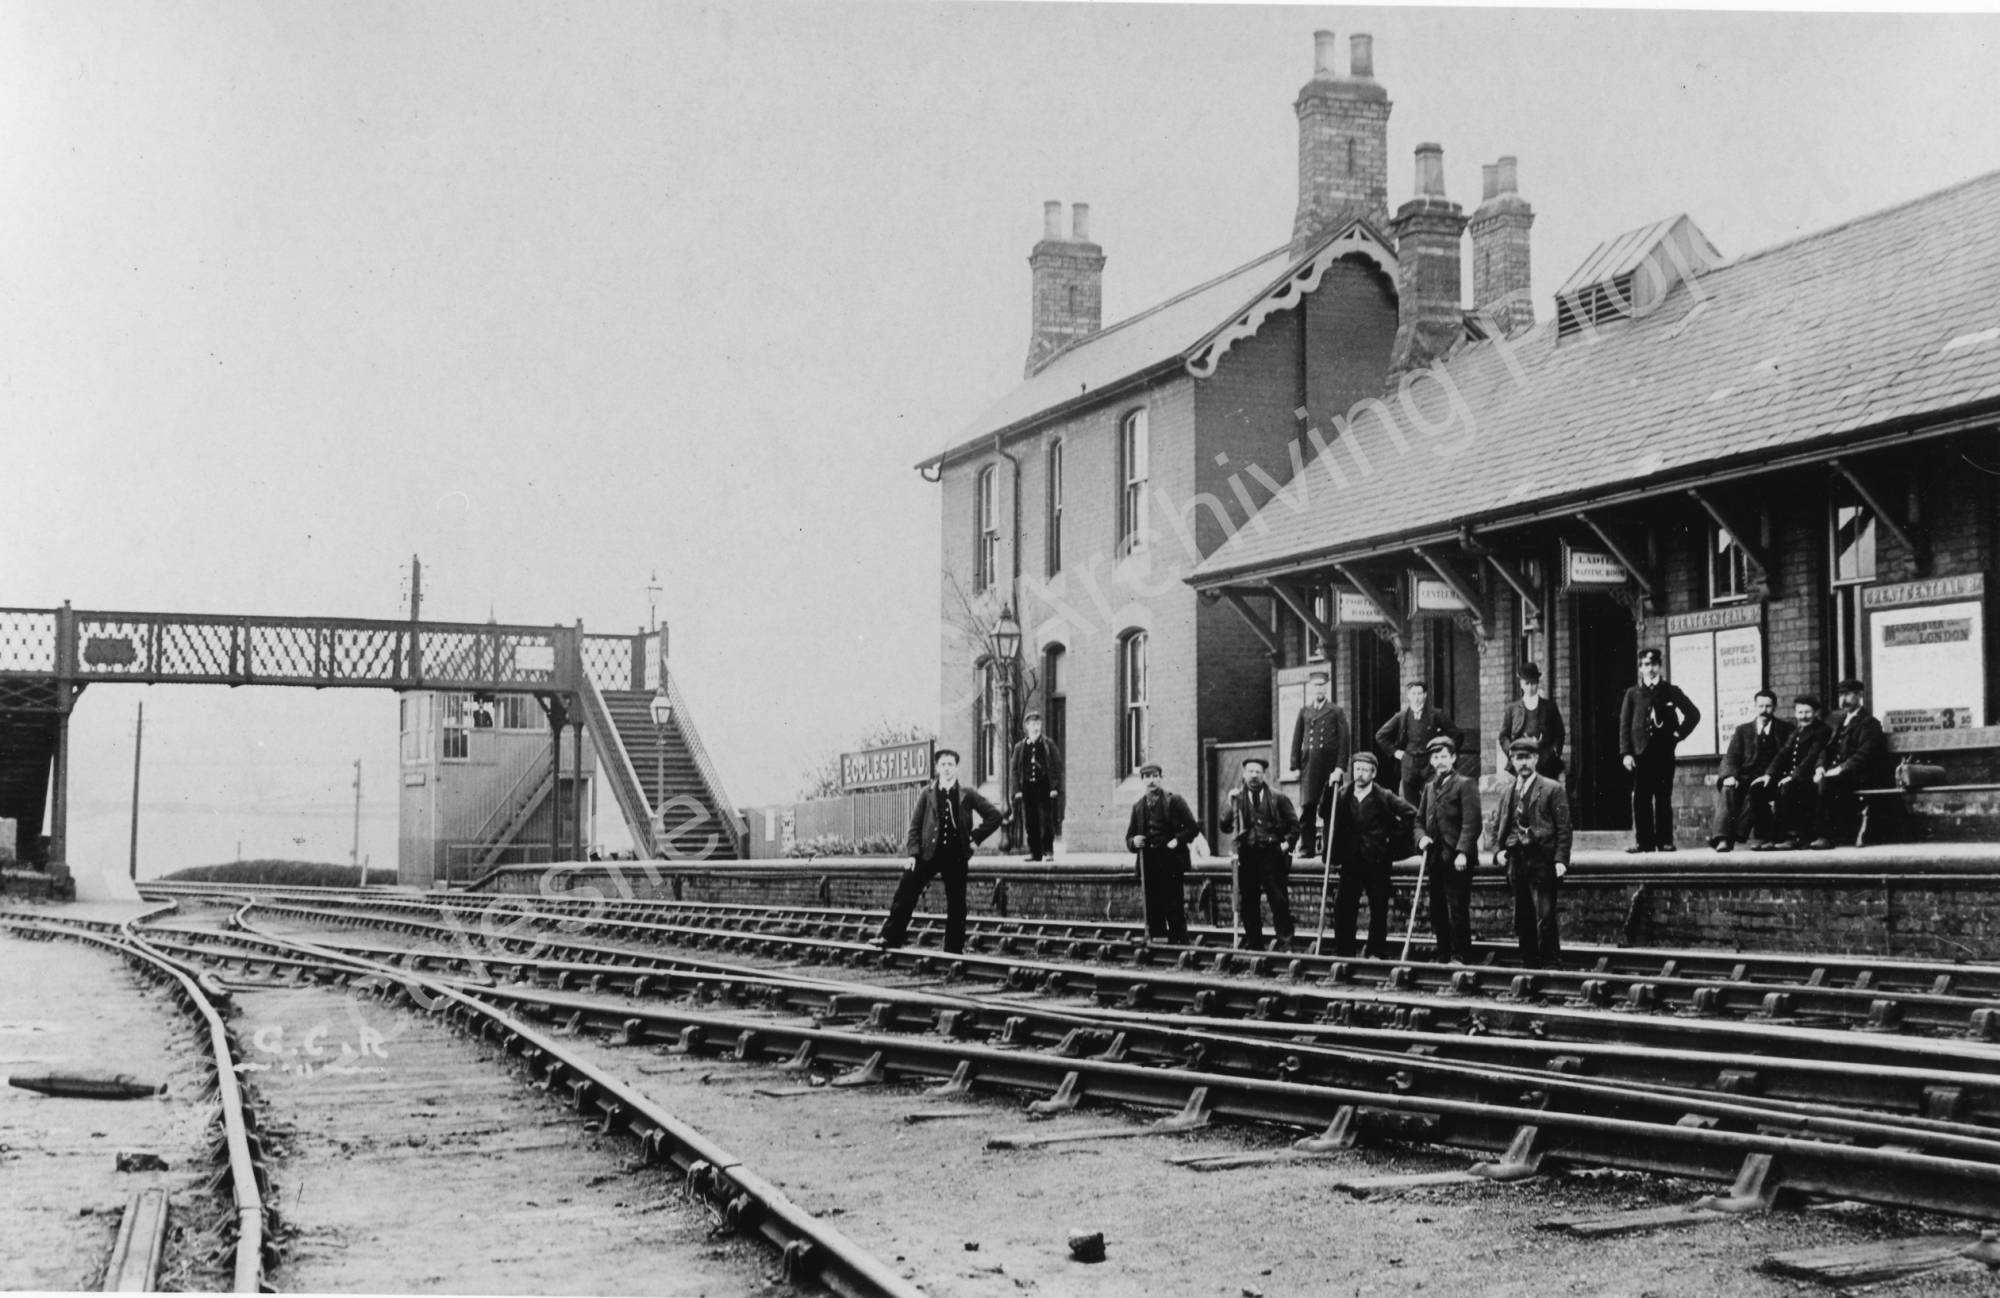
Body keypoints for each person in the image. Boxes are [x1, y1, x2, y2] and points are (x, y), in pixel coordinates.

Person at [872, 748, 1004, 953]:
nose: (947, 768)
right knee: (906, 889)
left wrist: (975, 839)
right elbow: (914, 826)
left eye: (951, 764)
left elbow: (994, 816)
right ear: (937, 767)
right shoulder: (927, 793)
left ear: (956, 768)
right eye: (943, 764)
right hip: (928, 854)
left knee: (957, 903)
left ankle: (953, 949)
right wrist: (913, 855)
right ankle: (890, 937)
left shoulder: (967, 794)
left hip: (956, 856)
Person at [1490, 737, 1573, 968]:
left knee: (1545, 915)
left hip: (1541, 858)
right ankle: (1529, 963)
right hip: (1516, 859)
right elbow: (1498, 825)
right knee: (1522, 916)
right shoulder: (1507, 793)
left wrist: (1561, 859)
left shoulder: (1552, 789)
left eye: (1527, 758)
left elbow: (1564, 826)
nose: (1523, 763)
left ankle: (1550, 964)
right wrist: (1498, 851)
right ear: (1512, 761)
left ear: (1536, 759)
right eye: (1518, 758)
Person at [1326, 750, 1416, 958]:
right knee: (1344, 907)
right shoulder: (1343, 794)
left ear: (1373, 773)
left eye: (1365, 770)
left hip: (1377, 860)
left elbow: (1410, 814)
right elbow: (1326, 813)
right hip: (1350, 860)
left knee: (1378, 907)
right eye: (1357, 769)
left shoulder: (1383, 795)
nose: (1360, 774)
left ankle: (1376, 952)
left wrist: (1391, 840)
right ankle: (1344, 952)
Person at [1618, 648, 1700, 852]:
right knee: (1641, 799)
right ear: (1640, 668)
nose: (1650, 669)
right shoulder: (1633, 693)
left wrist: (1678, 735)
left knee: (1663, 797)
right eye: (1645, 665)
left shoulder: (1671, 691)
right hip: (1641, 753)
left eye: (1653, 664)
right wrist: (1626, 753)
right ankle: (1644, 842)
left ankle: (1665, 841)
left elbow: (1693, 714)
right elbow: (1625, 725)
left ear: (1660, 666)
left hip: (1663, 753)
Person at [1219, 756, 1299, 950]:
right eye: (1250, 771)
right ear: (1244, 774)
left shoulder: (1278, 798)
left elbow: (1294, 826)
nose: (1254, 776)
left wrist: (1286, 845)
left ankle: (1286, 943)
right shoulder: (1236, 799)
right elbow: (1225, 826)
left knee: (1279, 899)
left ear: (1264, 775)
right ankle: (1254, 944)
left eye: (1258, 772)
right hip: (1247, 856)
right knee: (1248, 901)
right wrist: (1230, 805)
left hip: (1272, 855)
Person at [1415, 734, 1481, 964]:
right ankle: (1443, 953)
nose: (1440, 761)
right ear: (1431, 761)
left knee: (1457, 908)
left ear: (1453, 758)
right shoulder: (1429, 788)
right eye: (1435, 757)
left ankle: (1461, 954)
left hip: (1456, 858)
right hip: (1435, 857)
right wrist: (1421, 838)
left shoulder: (1465, 784)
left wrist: (1463, 851)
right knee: (1437, 908)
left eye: (1444, 756)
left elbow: (1472, 822)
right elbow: (1418, 821)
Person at [1711, 689, 1793, 852]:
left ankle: (1734, 836)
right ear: (1754, 707)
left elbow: (1788, 757)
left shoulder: (1785, 729)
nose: (1764, 710)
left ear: (1775, 707)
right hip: (1745, 776)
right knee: (1728, 789)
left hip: (1771, 778)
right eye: (1760, 706)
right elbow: (1731, 756)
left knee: (1754, 792)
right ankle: (1722, 839)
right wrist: (1729, 776)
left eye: (1768, 706)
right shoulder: (1743, 730)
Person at [1124, 761, 1198, 943]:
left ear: (1161, 778)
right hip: (1148, 860)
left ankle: (1178, 939)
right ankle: (1157, 938)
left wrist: (1178, 840)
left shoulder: (1174, 801)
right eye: (1147, 777)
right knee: (1152, 901)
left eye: (1155, 776)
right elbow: (1129, 838)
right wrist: (1135, 841)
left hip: (1170, 859)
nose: (1151, 781)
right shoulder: (1138, 807)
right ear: (1142, 780)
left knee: (1173, 901)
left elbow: (1192, 827)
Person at [1811, 678, 1888, 850]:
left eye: (1847, 694)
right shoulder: (1841, 722)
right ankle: (1808, 835)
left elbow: (1864, 755)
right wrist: (1821, 767)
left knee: (1829, 783)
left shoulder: (1869, 723)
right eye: (1840, 695)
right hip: (1844, 773)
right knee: (1811, 781)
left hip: (1863, 774)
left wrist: (1839, 769)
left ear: (1860, 695)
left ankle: (1827, 836)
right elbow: (1827, 749)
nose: (1843, 699)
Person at [1753, 696, 1835, 851]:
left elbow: (1812, 756)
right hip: (1794, 775)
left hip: (1809, 775)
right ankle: (1767, 837)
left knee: (1788, 787)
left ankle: (1793, 837)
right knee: (1759, 787)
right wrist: (1769, 774)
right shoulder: (1797, 731)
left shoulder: (1822, 730)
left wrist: (1793, 776)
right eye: (1800, 712)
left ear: (1816, 712)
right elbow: (1783, 753)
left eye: (1807, 712)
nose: (1803, 716)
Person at [1290, 671, 1350, 859]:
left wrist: (1340, 768)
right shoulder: (1304, 711)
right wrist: (1295, 766)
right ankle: (1306, 848)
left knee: (1329, 808)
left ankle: (1329, 849)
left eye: (1322, 686)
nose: (1319, 689)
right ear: (1311, 688)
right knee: (1308, 807)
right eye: (1316, 686)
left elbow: (1344, 741)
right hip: (1309, 766)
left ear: (1327, 688)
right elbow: (1297, 738)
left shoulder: (1336, 711)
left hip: (1329, 767)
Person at [1375, 682, 1460, 806]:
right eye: (1413, 694)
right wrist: (1395, 752)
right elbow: (1380, 736)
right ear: (1408, 696)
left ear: (1425, 695)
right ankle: (1415, 825)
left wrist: (1445, 753)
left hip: (1430, 763)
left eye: (1419, 693)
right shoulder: (1402, 716)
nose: (1416, 697)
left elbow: (1456, 735)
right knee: (1410, 803)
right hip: (1409, 763)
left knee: (1434, 798)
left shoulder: (1435, 714)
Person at [1495, 662, 1566, 780]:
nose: (1530, 687)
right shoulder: (1512, 709)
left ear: (1538, 683)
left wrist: (1554, 751)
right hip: (1521, 759)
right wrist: (1511, 752)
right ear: (1521, 684)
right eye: (1527, 683)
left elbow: (1559, 733)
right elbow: (1503, 736)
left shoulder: (1549, 707)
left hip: (1545, 761)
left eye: (1533, 683)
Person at [1010, 711, 1063, 862]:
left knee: (1047, 820)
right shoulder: (1020, 747)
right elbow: (1014, 771)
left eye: (1038, 724)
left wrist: (1054, 787)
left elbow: (1057, 766)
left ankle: (1048, 851)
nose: (1035, 727)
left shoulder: (1048, 744)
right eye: (1032, 724)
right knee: (1031, 821)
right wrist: (1017, 790)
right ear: (1026, 727)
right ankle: (1035, 853)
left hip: (1045, 787)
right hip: (1027, 788)